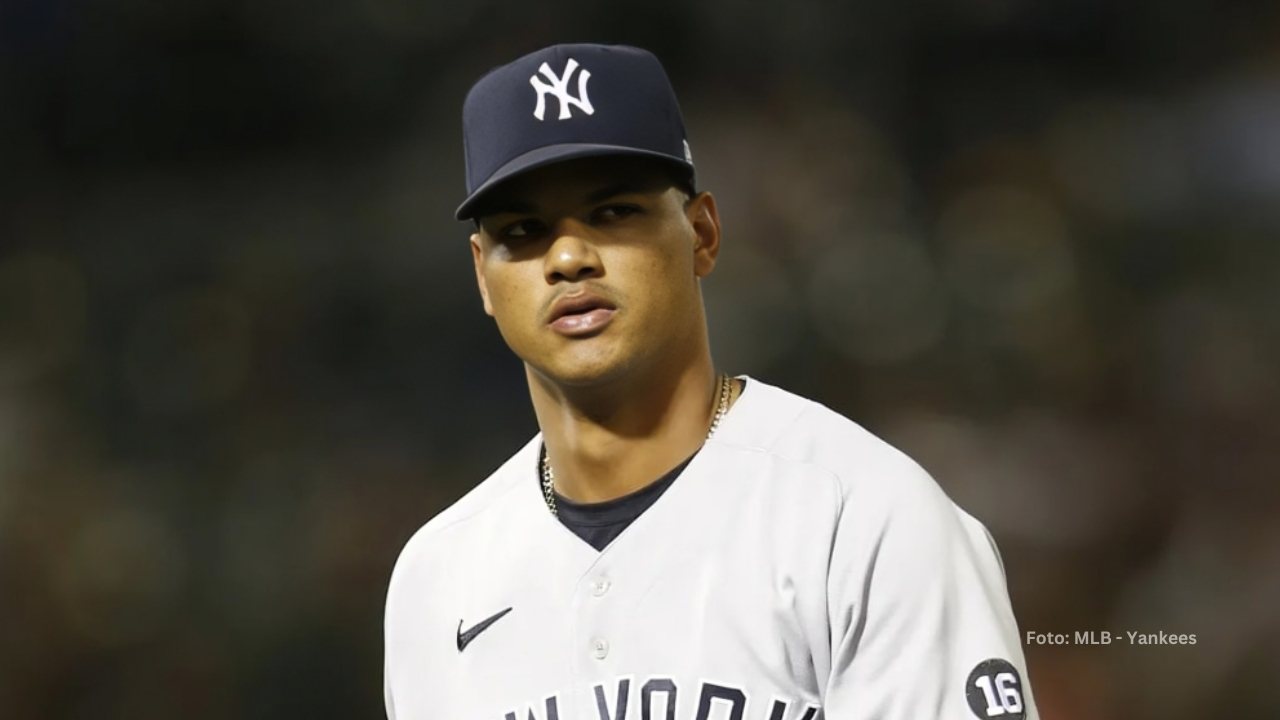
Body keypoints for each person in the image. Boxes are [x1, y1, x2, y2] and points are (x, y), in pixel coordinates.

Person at [383, 43, 1037, 720]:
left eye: (613, 213)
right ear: (482, 277)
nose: (570, 257)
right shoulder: (438, 577)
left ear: (702, 232)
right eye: (524, 230)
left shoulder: (863, 518)